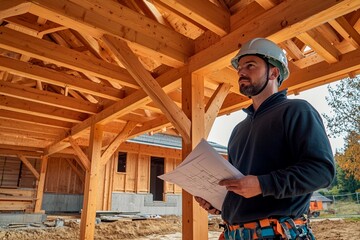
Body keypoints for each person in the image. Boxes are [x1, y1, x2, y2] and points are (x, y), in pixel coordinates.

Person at [195, 38, 335, 240]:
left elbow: (322, 171)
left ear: (274, 72)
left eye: (250, 65)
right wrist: (218, 203)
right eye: (240, 68)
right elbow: (241, 187)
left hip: (278, 234)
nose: (241, 72)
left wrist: (263, 184)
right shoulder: (238, 130)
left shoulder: (297, 111)